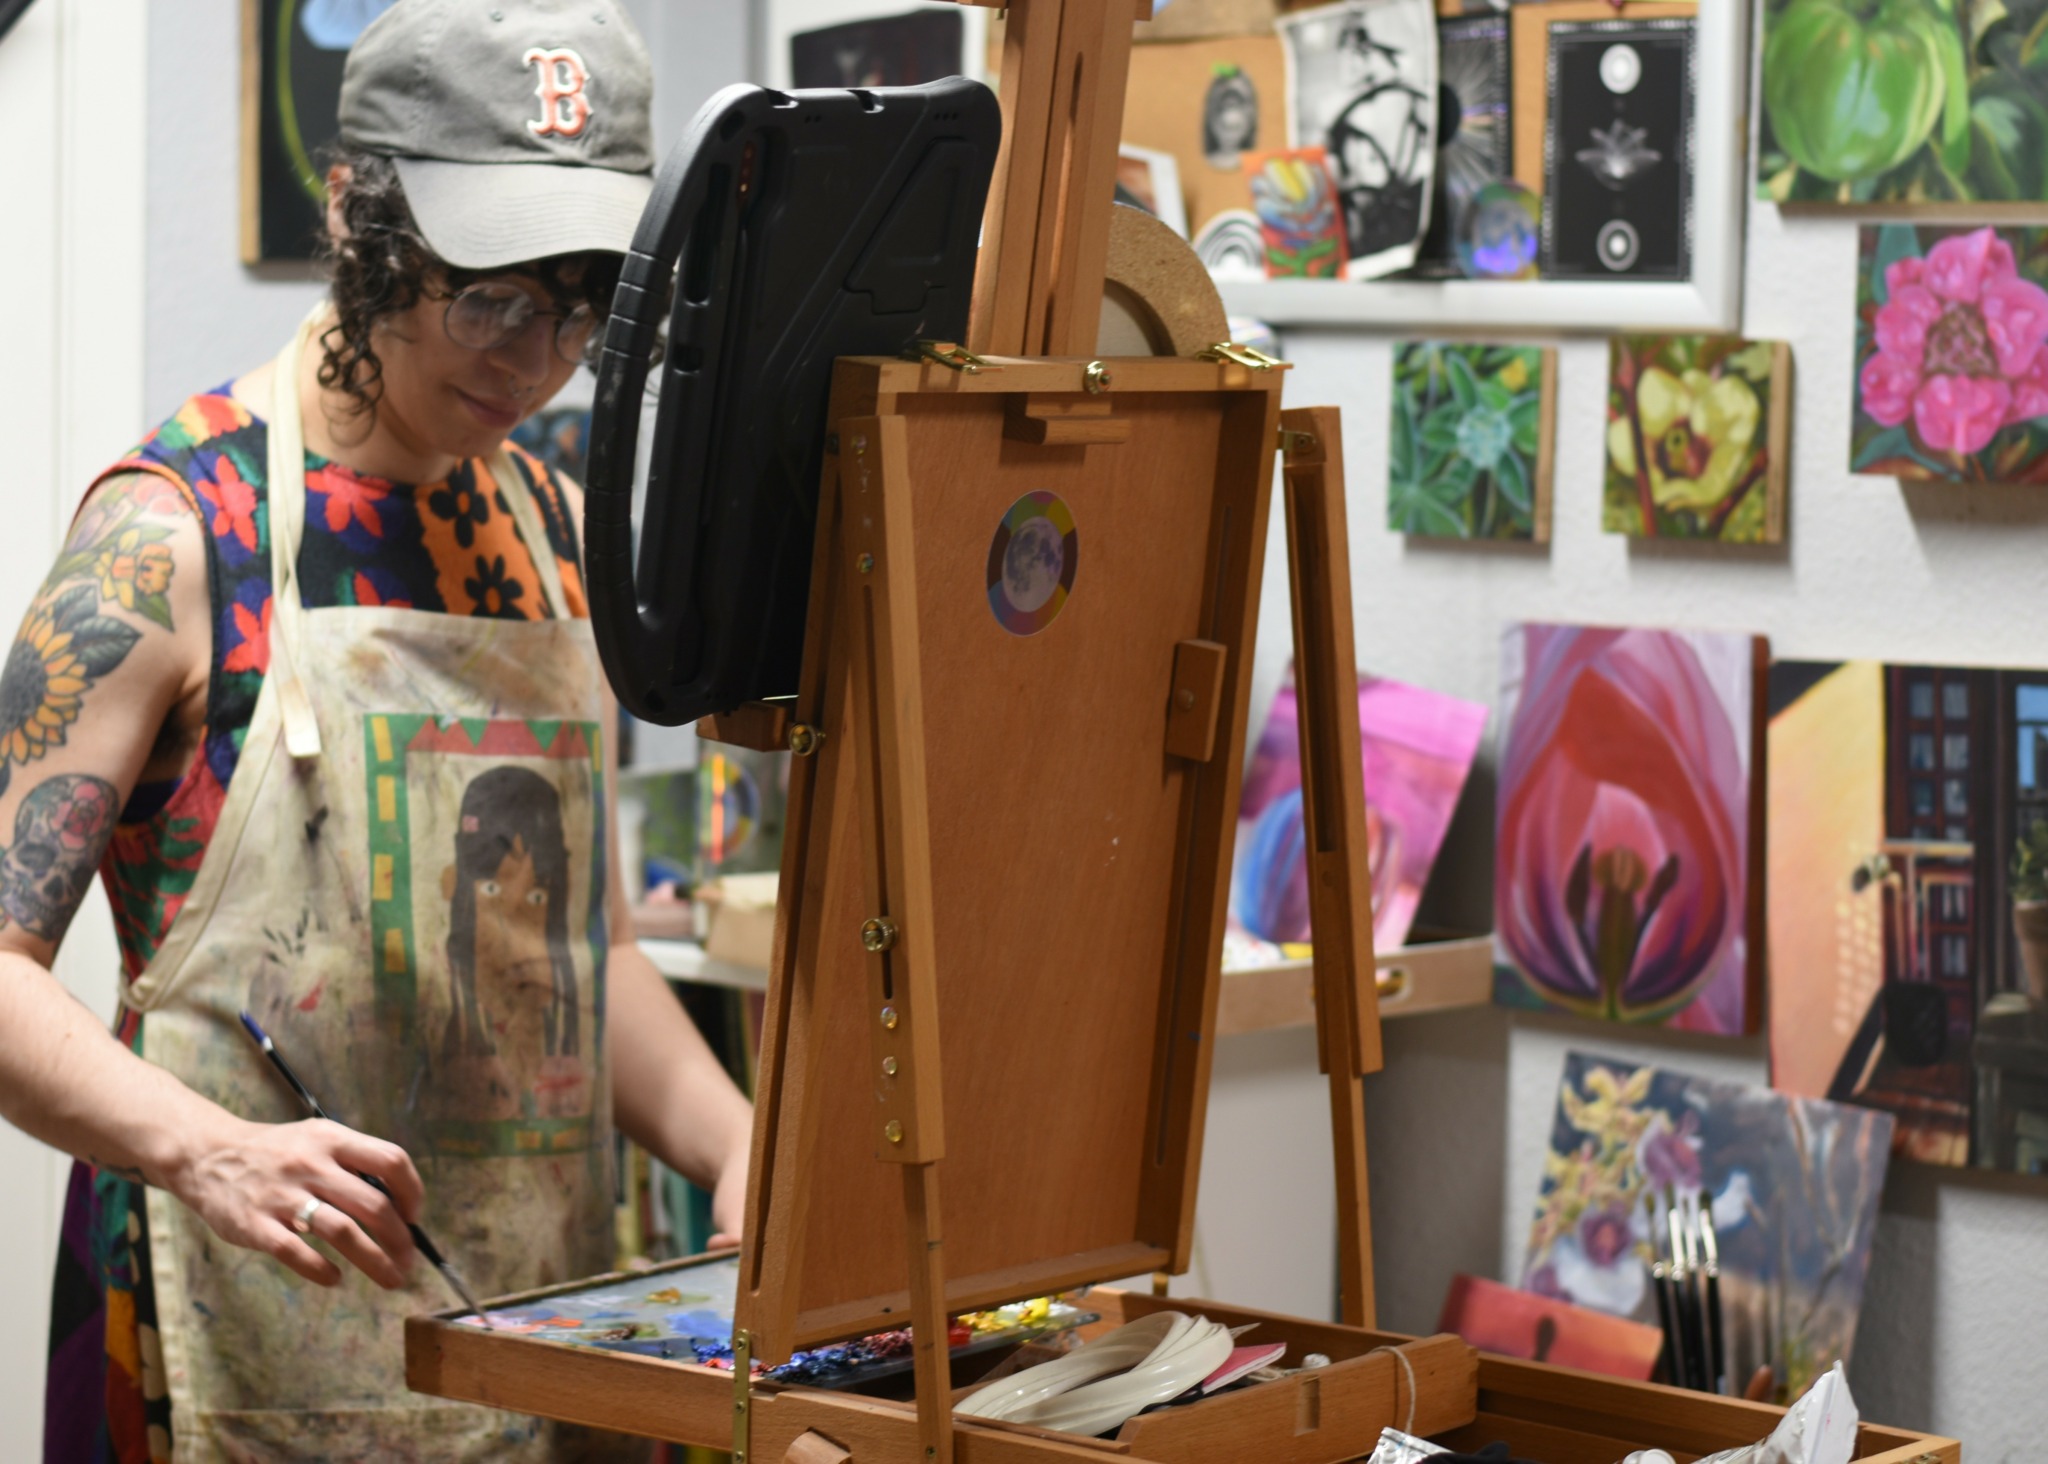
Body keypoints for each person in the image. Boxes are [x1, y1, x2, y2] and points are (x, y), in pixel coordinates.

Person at [11, 2, 754, 1458]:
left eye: (581, 307)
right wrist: (209, 1150)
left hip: (523, 1328)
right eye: (489, 297)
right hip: (226, 1328)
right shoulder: (174, 537)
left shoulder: (558, 538)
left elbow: (581, 961)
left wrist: (739, 1144)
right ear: (360, 214)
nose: (534, 362)